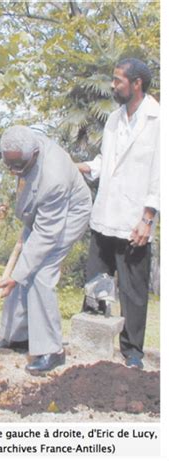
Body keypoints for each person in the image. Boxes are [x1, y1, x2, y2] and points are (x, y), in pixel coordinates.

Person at [0, 125, 92, 375]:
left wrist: (16, 276)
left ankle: (51, 350)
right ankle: (18, 336)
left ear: (34, 154)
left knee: (40, 273)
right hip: (41, 214)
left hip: (68, 216)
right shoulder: (23, 145)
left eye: (18, 165)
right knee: (22, 268)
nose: (13, 171)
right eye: (8, 164)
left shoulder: (53, 177)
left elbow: (47, 235)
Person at [77, 58, 159, 370]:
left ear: (137, 83)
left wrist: (148, 218)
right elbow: (104, 161)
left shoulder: (158, 120)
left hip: (134, 221)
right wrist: (81, 167)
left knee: (133, 291)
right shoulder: (114, 118)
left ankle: (133, 353)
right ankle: (92, 347)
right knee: (96, 286)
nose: (113, 85)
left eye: (118, 80)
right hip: (104, 216)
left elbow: (159, 174)